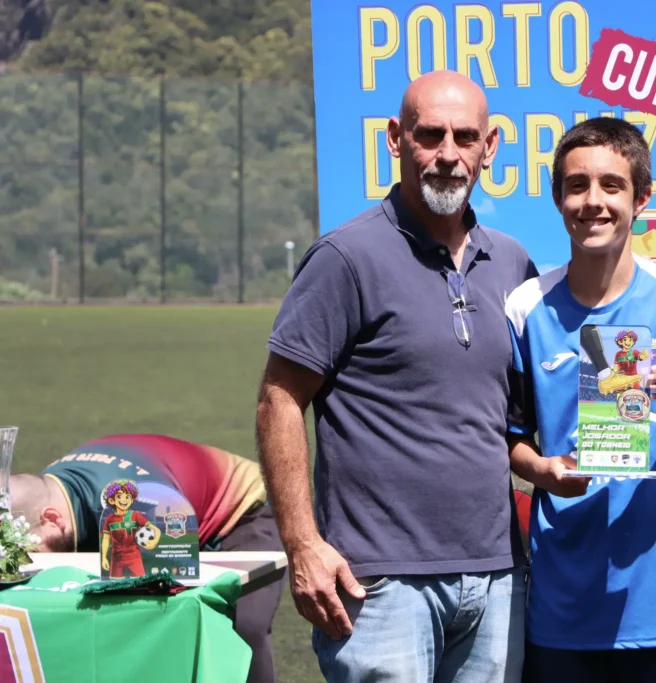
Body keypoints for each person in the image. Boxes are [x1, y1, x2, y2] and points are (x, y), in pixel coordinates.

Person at [255, 70, 536, 683]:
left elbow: (523, 417)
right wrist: (302, 544)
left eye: (465, 138)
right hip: (379, 585)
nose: (448, 154)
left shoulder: (514, 263)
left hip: (497, 579)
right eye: (429, 134)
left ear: (489, 148)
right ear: (395, 139)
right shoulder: (346, 258)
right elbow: (279, 399)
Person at [504, 116, 656, 683]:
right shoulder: (524, 309)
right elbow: (509, 439)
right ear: (558, 198)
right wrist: (541, 470)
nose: (593, 202)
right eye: (577, 185)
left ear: (640, 198)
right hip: (566, 611)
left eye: (611, 185)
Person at [9, 433, 284, 683]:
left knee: (244, 625)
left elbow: (169, 602)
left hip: (243, 512)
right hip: (173, 507)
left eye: (29, 550)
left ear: (51, 518)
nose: (25, 561)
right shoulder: (44, 494)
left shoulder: (136, 503)